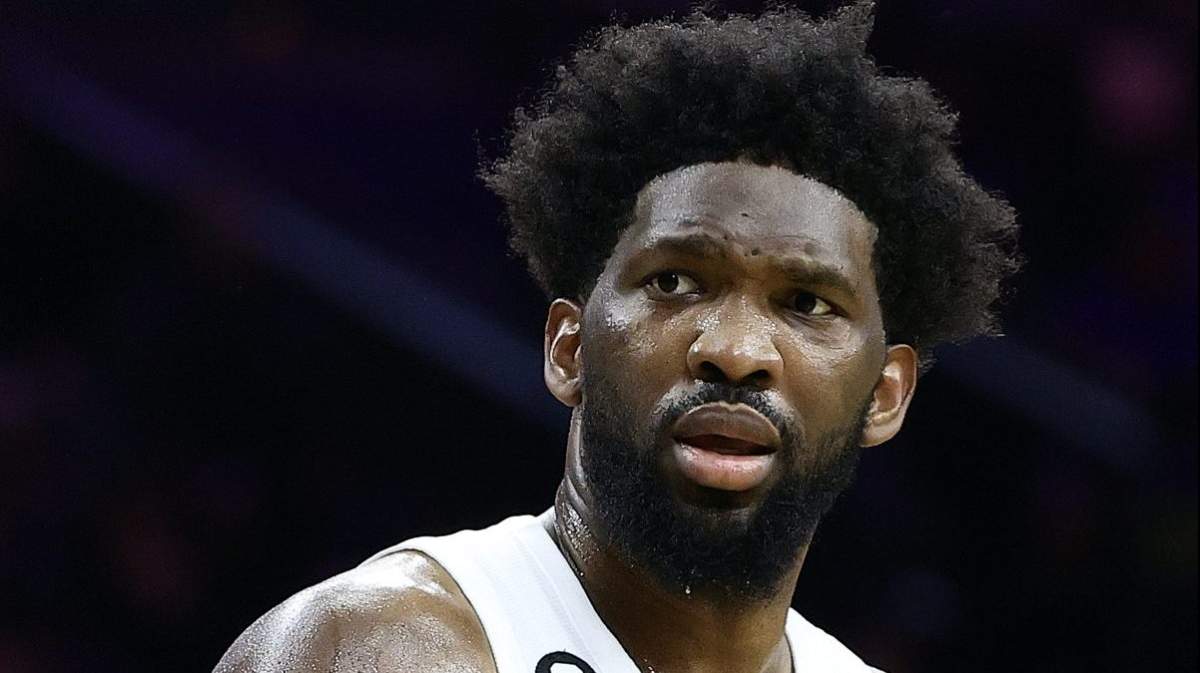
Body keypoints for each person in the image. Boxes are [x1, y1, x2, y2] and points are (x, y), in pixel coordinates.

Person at [214, 3, 1020, 672]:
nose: (735, 349)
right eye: (675, 282)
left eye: (806, 302)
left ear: (886, 394)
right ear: (568, 348)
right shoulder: (383, 650)